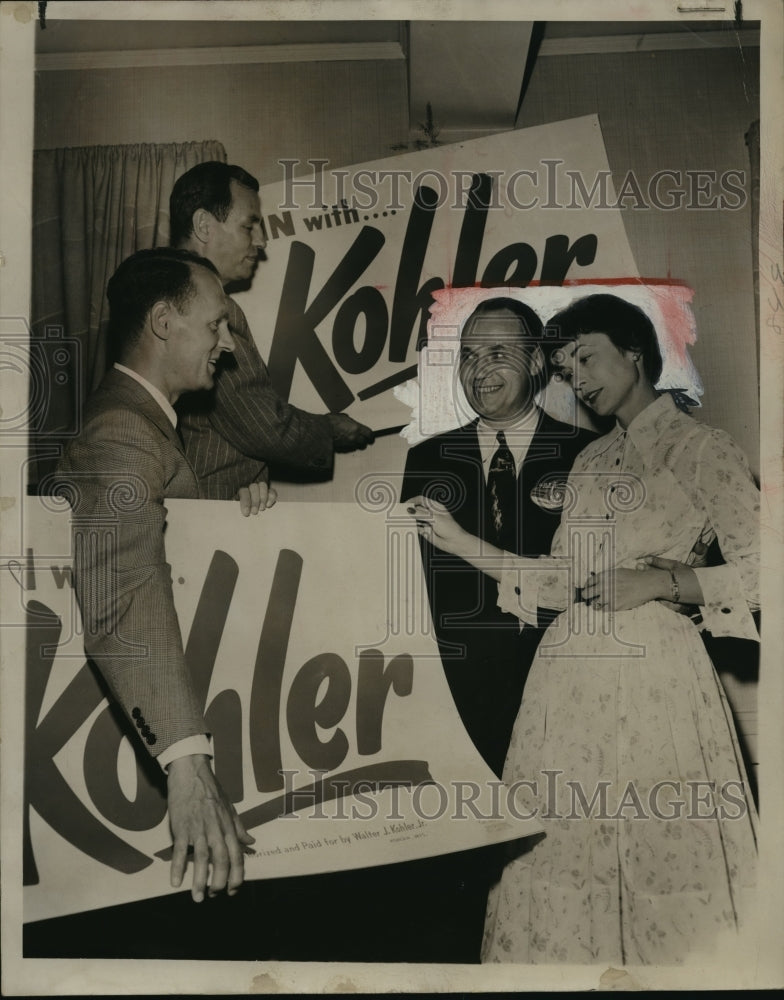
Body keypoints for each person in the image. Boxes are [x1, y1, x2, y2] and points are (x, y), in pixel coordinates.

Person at [409, 293, 759, 965]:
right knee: (564, 871)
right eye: (568, 370)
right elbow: (558, 577)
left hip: (656, 684)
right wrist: (456, 540)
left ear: (634, 352)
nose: (580, 380)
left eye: (587, 358)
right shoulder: (592, 463)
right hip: (566, 698)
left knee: (659, 864)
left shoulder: (704, 450)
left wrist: (668, 583)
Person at [55, 248, 259, 905]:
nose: (226, 345)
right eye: (216, 325)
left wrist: (247, 523)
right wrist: (188, 765)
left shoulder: (146, 429)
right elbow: (123, 588)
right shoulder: (121, 430)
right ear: (165, 323)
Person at [398, 296, 595, 962]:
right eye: (470, 356)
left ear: (537, 363)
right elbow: (412, 587)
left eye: (499, 354)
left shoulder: (589, 456)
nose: (480, 371)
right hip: (456, 709)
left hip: (561, 700)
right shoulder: (426, 458)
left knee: (555, 874)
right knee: (457, 885)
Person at [169, 161, 374, 499]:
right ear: (204, 225)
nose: (261, 241)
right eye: (249, 227)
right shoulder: (215, 309)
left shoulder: (162, 289)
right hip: (214, 509)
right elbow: (261, 424)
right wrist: (329, 429)